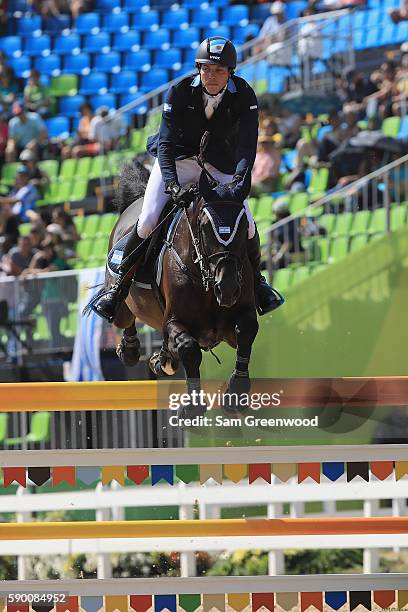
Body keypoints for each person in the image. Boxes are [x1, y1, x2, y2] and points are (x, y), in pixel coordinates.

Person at [95, 36, 284, 322]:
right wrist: (172, 184)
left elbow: (247, 146)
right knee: (147, 220)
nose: (211, 75)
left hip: (219, 165)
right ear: (198, 68)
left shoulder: (244, 95)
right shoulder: (180, 92)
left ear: (230, 72)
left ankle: (258, 284)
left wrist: (241, 182)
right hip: (177, 161)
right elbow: (167, 144)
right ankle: (118, 289)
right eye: (206, 69)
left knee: (248, 223)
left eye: (219, 70)